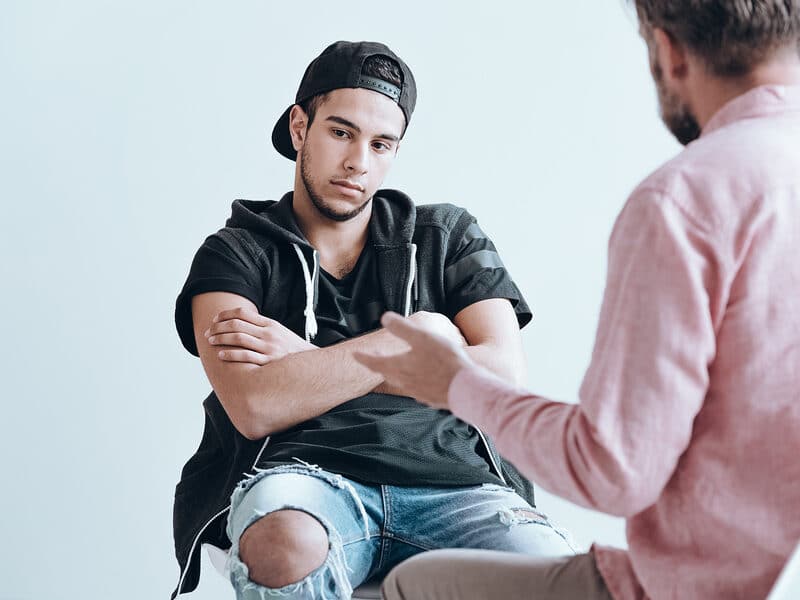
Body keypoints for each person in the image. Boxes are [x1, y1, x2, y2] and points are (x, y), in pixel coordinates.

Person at [355, 3, 800, 599]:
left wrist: (455, 383)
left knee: (414, 586)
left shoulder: (686, 199)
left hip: (701, 588)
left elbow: (614, 469)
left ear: (668, 52)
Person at [170, 41, 574, 600]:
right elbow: (255, 405)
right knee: (280, 542)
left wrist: (309, 362)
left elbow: (502, 374)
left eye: (381, 144)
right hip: (307, 480)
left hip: (457, 485)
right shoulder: (235, 254)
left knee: (560, 578)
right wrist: (421, 342)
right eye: (341, 132)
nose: (359, 161)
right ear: (298, 128)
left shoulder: (448, 236)